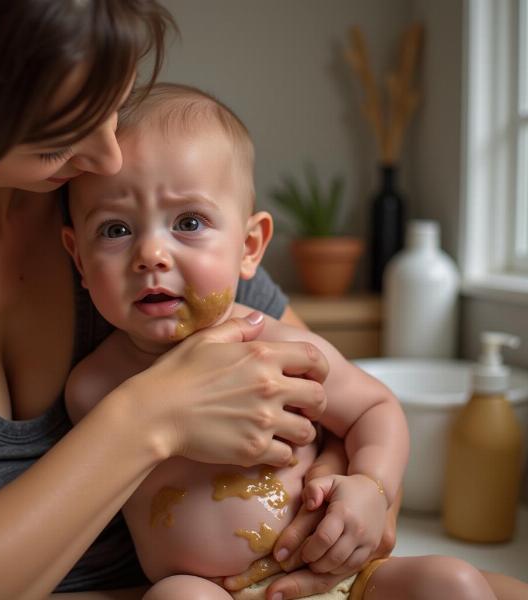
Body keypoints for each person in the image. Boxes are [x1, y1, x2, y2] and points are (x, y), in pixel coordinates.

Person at [0, 3, 353, 598]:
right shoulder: (109, 227)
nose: (108, 155)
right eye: (60, 133)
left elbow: (338, 406)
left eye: (112, 104)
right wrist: (149, 419)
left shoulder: (123, 201)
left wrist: (339, 494)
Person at [61, 82, 501, 600]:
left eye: (189, 222)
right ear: (79, 260)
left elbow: (374, 408)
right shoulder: (93, 389)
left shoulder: (279, 346)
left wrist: (371, 488)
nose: (151, 254)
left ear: (249, 247)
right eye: (115, 230)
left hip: (343, 579)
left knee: (456, 583)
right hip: (211, 590)